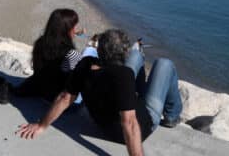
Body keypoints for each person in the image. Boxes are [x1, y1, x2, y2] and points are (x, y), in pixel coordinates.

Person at [16, 29, 183, 156]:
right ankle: (172, 116)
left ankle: (138, 91)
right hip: (143, 124)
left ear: (99, 50)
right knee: (164, 64)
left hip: (104, 126)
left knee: (137, 57)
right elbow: (130, 123)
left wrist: (41, 125)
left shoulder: (85, 64)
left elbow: (65, 97)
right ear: (123, 53)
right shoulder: (123, 75)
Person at [11, 9, 82, 102]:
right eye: (74, 27)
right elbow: (71, 79)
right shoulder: (71, 53)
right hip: (55, 99)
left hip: (38, 88)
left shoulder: (40, 42)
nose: (76, 30)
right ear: (67, 29)